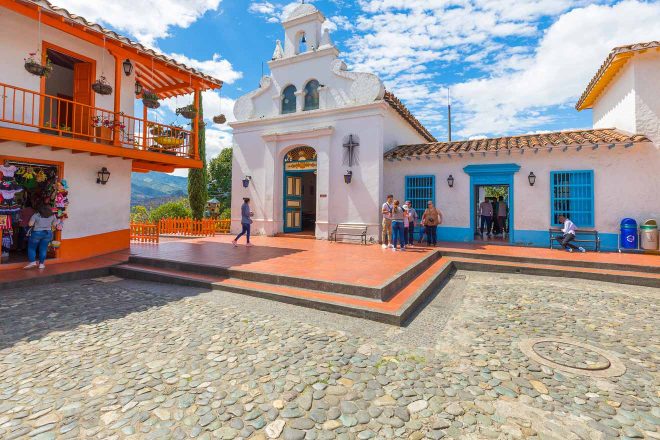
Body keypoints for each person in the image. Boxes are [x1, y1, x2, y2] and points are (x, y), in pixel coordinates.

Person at [24, 204, 56, 269]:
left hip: (37, 233)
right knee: (43, 249)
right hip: (48, 233)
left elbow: (30, 224)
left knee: (32, 248)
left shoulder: (36, 215)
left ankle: (33, 262)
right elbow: (54, 224)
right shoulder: (52, 216)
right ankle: (41, 264)